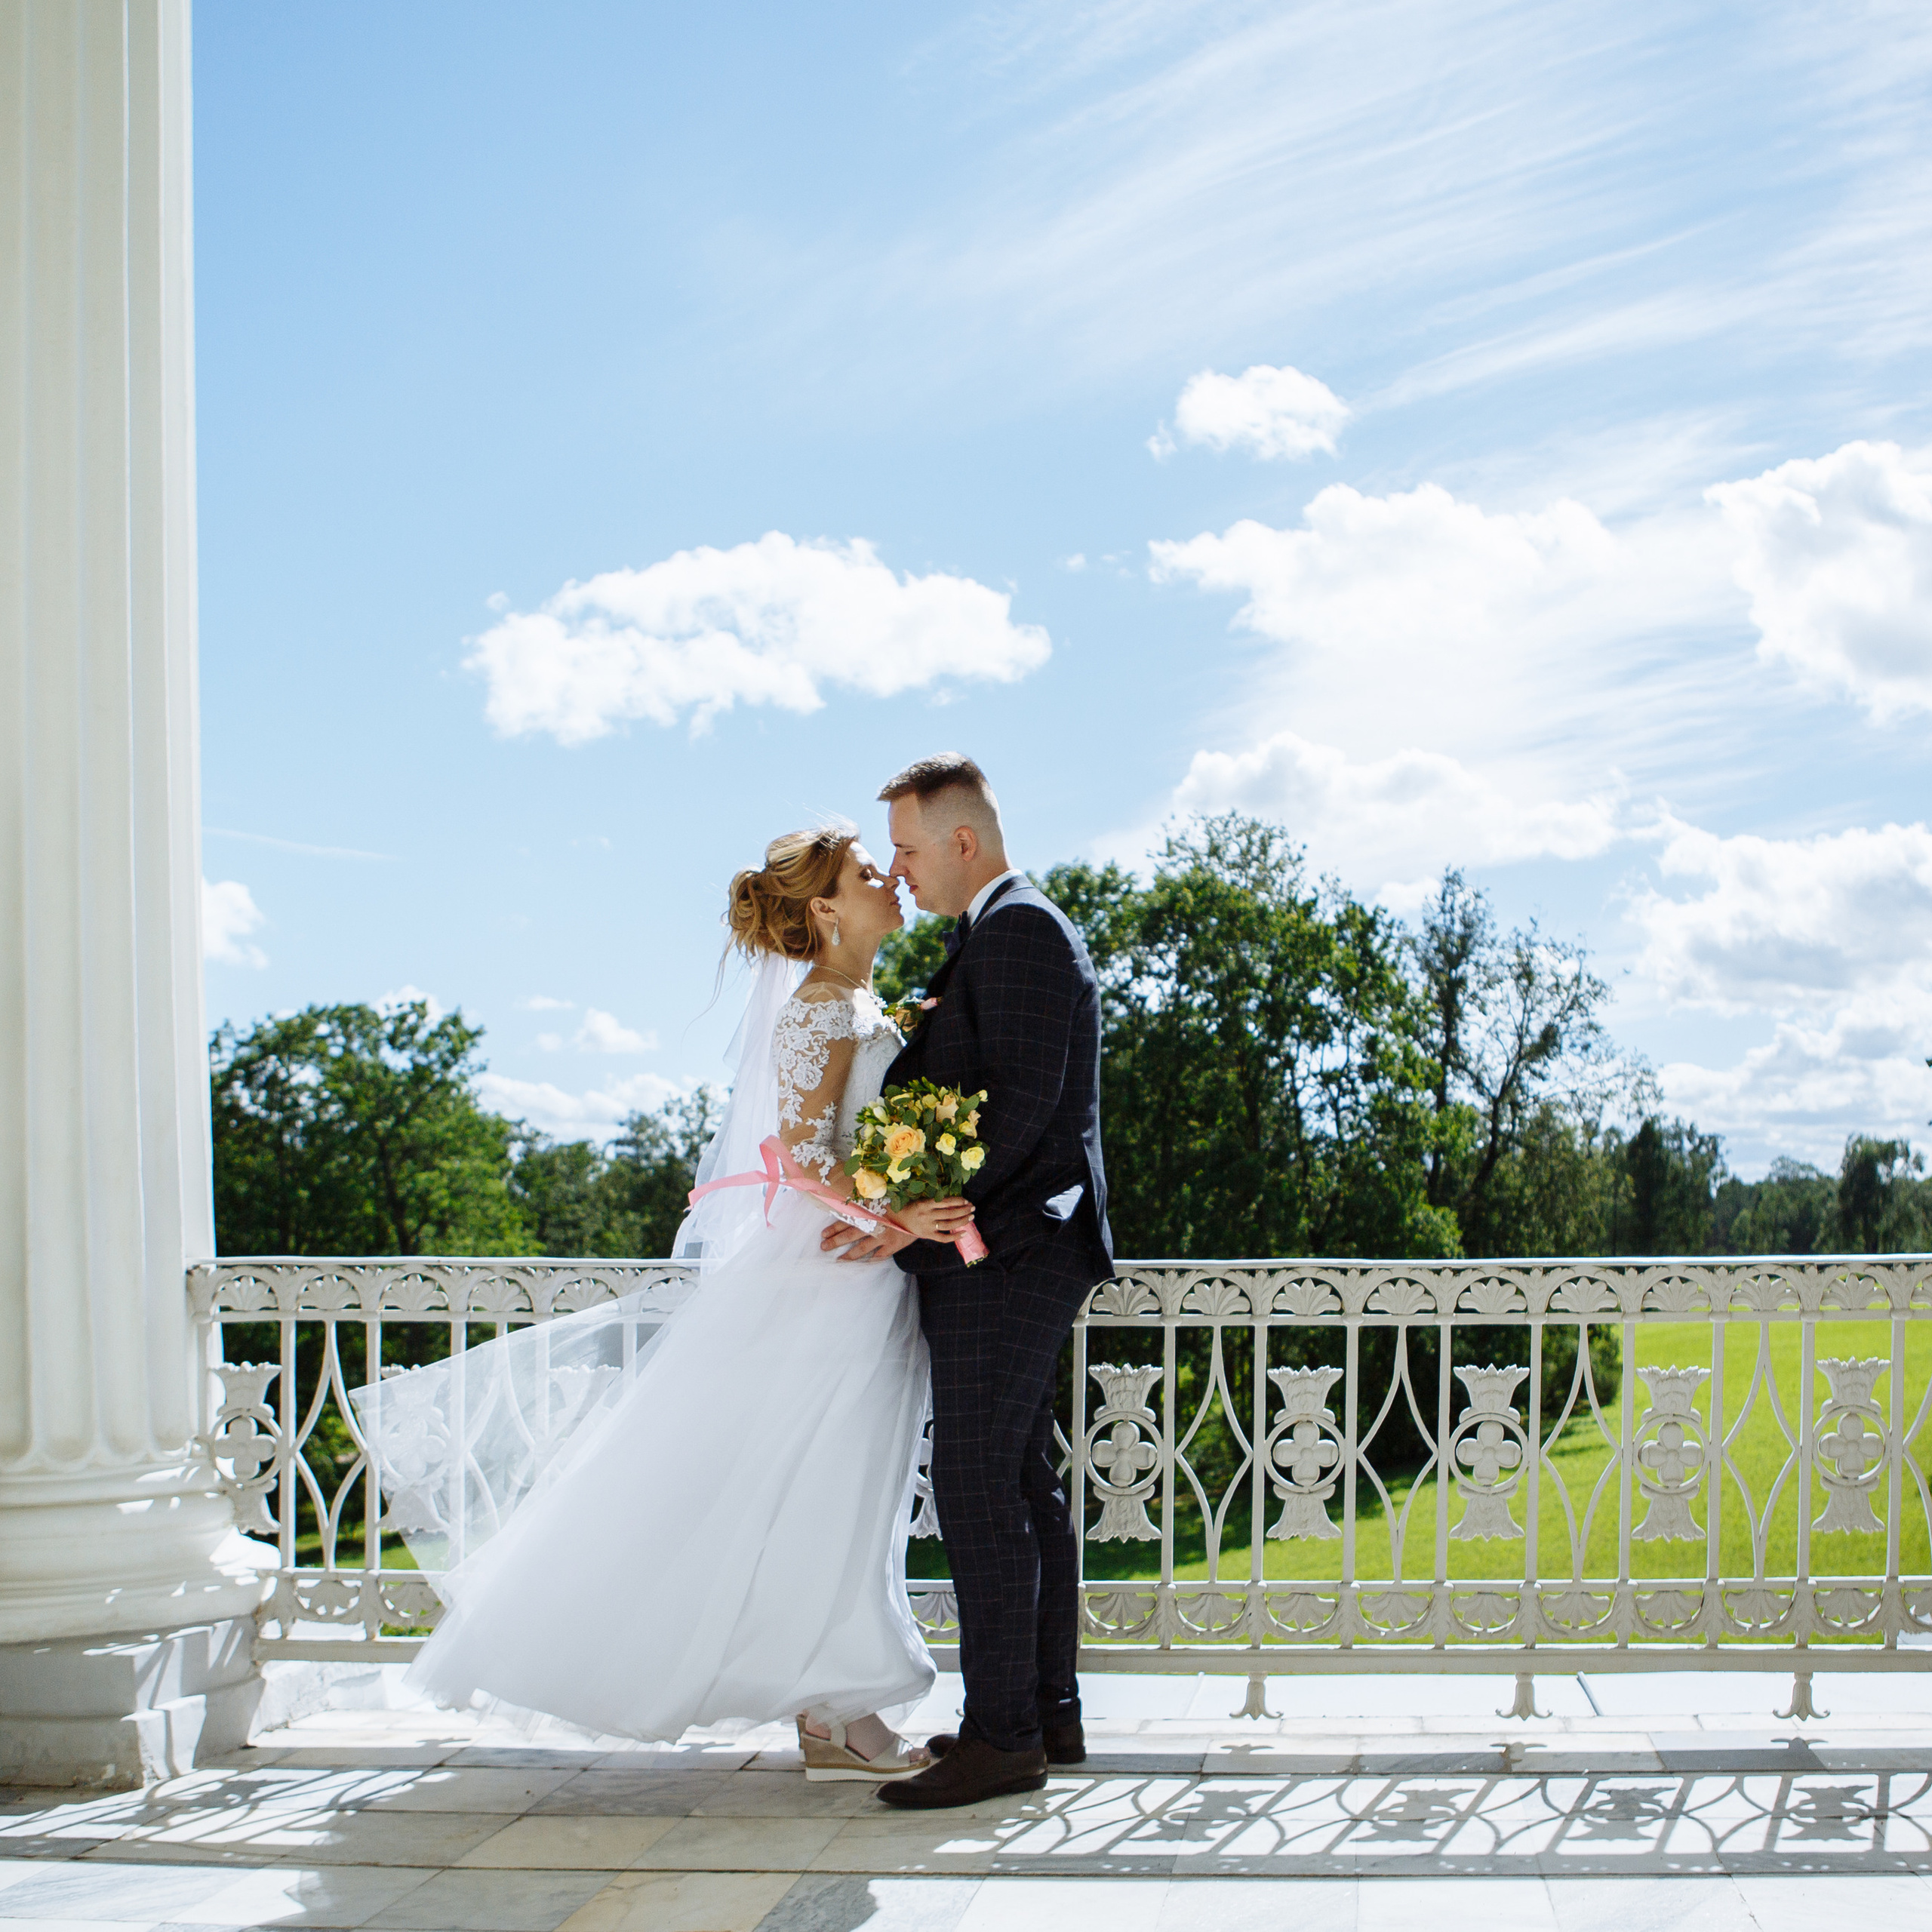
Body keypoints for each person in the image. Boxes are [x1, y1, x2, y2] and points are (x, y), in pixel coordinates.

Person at [352, 824, 974, 1779]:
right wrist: (895, 1212)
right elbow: (800, 1158)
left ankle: (832, 1713)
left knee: (845, 1490)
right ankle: (844, 1710)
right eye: (864, 873)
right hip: (831, 1276)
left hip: (863, 1271)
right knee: (825, 1490)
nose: (888, 878)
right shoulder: (818, 1008)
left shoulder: (855, 999)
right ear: (824, 909)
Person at [822, 754, 1113, 1809]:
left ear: (962, 840)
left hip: (1010, 1247)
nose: (899, 868)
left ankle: (1003, 1738)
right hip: (1005, 1244)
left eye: (906, 848)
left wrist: (922, 1215)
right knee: (1020, 1482)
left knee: (978, 1484)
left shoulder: (1021, 928)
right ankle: (1042, 1714)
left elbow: (1022, 1105)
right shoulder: (989, 934)